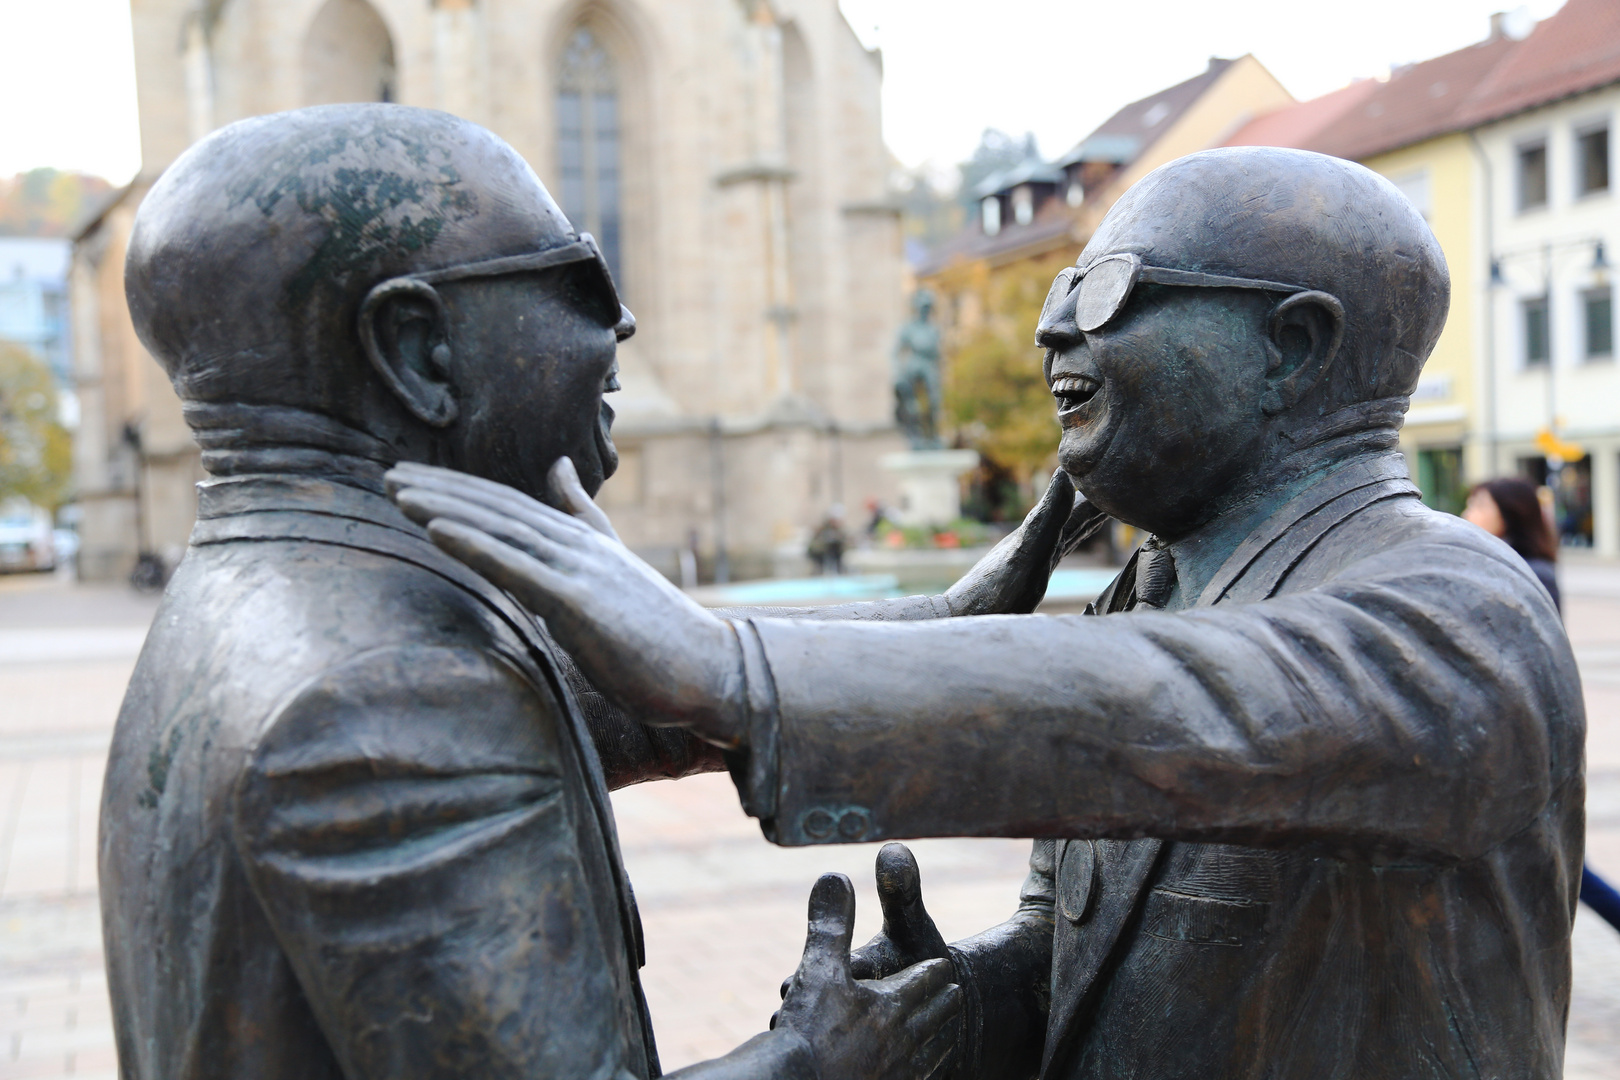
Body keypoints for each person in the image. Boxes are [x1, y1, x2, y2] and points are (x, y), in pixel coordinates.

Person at [390, 147, 1585, 1078]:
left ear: (1293, 347)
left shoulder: (1457, 611)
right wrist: (963, 1006)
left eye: (1107, 291)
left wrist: (727, 668)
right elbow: (1092, 954)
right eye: (1063, 289)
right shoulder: (1151, 591)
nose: (1054, 326)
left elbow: (1185, 705)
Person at [99, 103, 978, 1080]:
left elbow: (640, 698)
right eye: (578, 283)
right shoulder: (393, 693)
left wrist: (952, 625)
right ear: (419, 352)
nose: (624, 322)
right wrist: (820, 1058)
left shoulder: (284, 595)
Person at [1464, 476, 1620, 934]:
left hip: (1526, 745)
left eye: (1479, 503)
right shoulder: (1505, 564)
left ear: (1509, 514)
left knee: (1569, 870)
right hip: (1515, 741)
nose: (1468, 511)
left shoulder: (1526, 571)